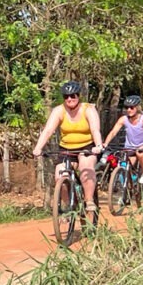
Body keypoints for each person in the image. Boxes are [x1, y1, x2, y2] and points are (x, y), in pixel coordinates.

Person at [32, 80, 104, 212]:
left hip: (87, 146)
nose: (69, 99)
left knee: (85, 168)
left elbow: (95, 130)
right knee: (60, 176)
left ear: (78, 96)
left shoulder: (88, 109)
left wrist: (98, 145)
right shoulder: (59, 111)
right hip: (66, 148)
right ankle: (69, 205)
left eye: (73, 96)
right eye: (66, 97)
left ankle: (89, 201)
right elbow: (48, 130)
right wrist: (38, 148)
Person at [104, 95, 143, 185]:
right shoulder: (123, 119)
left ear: (137, 108)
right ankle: (127, 187)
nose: (129, 110)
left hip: (142, 147)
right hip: (129, 148)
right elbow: (113, 132)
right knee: (123, 164)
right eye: (127, 107)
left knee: (140, 152)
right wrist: (105, 143)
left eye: (131, 107)